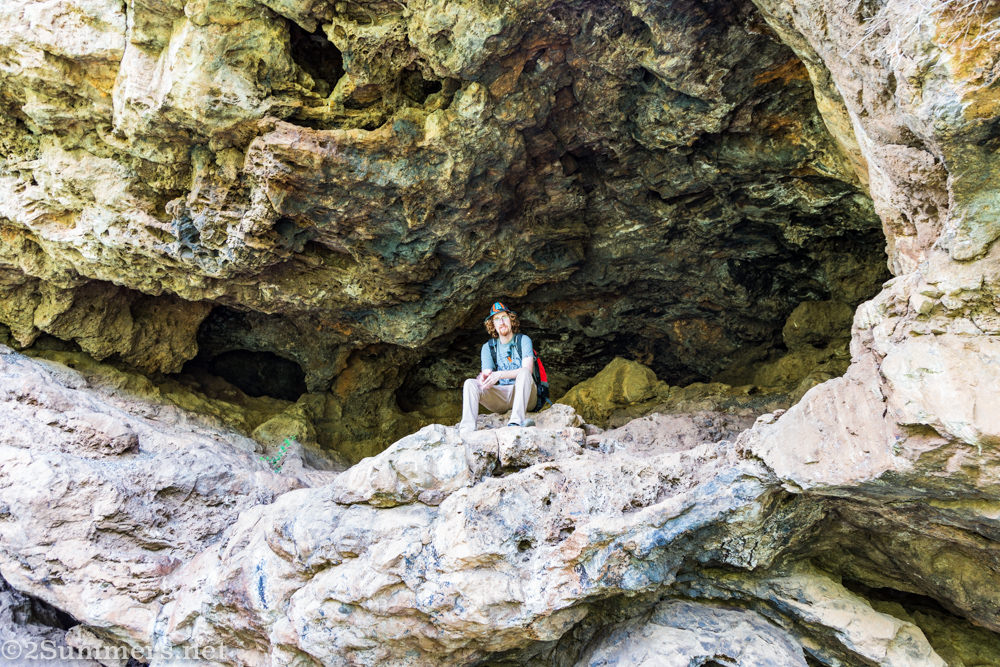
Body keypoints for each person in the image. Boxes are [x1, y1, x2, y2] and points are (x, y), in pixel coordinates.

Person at [459, 301, 537, 432]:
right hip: (502, 397)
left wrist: (500, 374)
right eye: (496, 319)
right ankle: (466, 430)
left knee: (523, 372)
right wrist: (483, 378)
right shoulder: (488, 348)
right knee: (470, 384)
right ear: (493, 325)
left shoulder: (523, 340)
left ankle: (516, 423)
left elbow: (527, 371)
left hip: (526, 395)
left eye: (504, 317)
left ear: (511, 320)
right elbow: (487, 374)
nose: (501, 322)